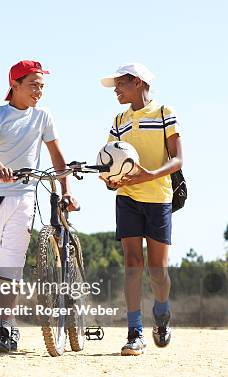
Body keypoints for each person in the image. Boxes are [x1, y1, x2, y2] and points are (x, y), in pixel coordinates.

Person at [0, 60, 78, 353]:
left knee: (12, 260)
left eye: (42, 86)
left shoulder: (43, 117)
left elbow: (57, 157)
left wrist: (66, 190)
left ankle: (5, 327)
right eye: (34, 84)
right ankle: (6, 319)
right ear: (15, 85)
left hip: (23, 195)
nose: (39, 91)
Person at [100, 63, 183, 356]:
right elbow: (109, 160)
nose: (116, 91)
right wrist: (110, 180)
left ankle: (161, 314)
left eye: (120, 85)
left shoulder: (164, 113)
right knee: (133, 264)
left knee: (158, 271)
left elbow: (177, 160)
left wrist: (149, 175)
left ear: (137, 82)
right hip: (127, 198)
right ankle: (134, 332)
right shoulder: (119, 119)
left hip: (159, 198)